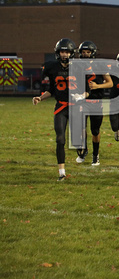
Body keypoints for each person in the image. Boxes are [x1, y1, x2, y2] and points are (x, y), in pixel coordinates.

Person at [32, 38, 77, 181]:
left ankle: (82, 151)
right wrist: (40, 97)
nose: (64, 55)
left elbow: (87, 89)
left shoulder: (78, 67)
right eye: (62, 52)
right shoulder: (52, 67)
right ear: (58, 53)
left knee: (80, 138)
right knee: (60, 139)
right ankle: (61, 172)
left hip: (76, 107)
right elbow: (51, 90)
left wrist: (85, 94)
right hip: (61, 106)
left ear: (72, 53)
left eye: (67, 52)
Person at [74, 40, 113, 166]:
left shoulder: (100, 65)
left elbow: (110, 82)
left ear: (93, 53)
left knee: (95, 130)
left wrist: (97, 86)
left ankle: (95, 155)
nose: (85, 54)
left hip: (96, 101)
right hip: (81, 101)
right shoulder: (77, 65)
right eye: (83, 52)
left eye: (88, 52)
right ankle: (84, 149)